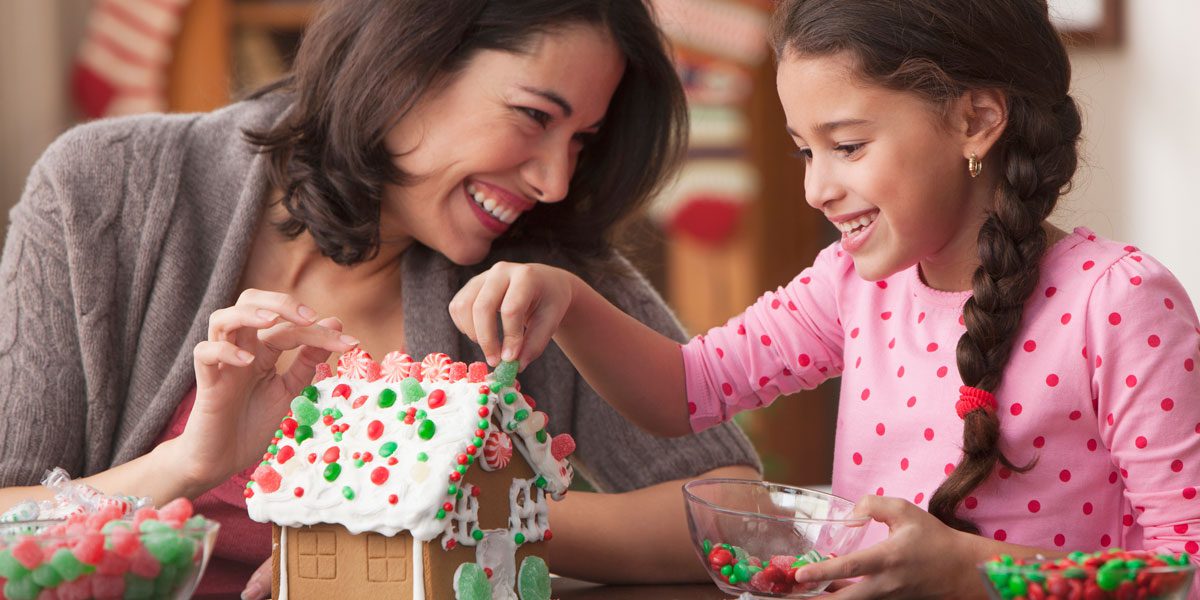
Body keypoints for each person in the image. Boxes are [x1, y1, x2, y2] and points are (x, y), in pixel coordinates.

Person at [0, 1, 762, 598]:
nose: (554, 181)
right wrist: (184, 465)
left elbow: (741, 515)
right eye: (534, 116)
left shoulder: (537, 268)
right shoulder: (104, 188)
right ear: (408, 63)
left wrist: (450, 516)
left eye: (581, 141)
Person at [449, 0, 1200, 596]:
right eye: (805, 151)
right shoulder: (850, 283)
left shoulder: (1118, 301)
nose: (816, 188)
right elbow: (686, 391)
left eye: (848, 146)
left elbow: (1185, 567)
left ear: (975, 121)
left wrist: (969, 572)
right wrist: (569, 299)